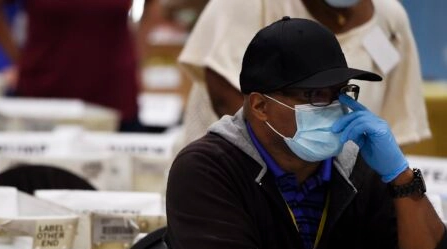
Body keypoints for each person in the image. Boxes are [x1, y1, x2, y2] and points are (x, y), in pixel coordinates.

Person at [166, 17, 447, 249]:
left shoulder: (360, 166)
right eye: (316, 95)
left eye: (343, 92)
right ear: (260, 106)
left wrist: (400, 176)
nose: (338, 108)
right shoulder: (206, 169)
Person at [178, 0, 430, 149]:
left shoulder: (390, 18)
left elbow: (394, 125)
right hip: (235, 170)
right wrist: (297, 170)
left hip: (335, 194)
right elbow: (225, 93)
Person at [0, 0, 141, 130]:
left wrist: (138, 56)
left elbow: (154, 6)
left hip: (114, 99)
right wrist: (17, 57)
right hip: (43, 99)